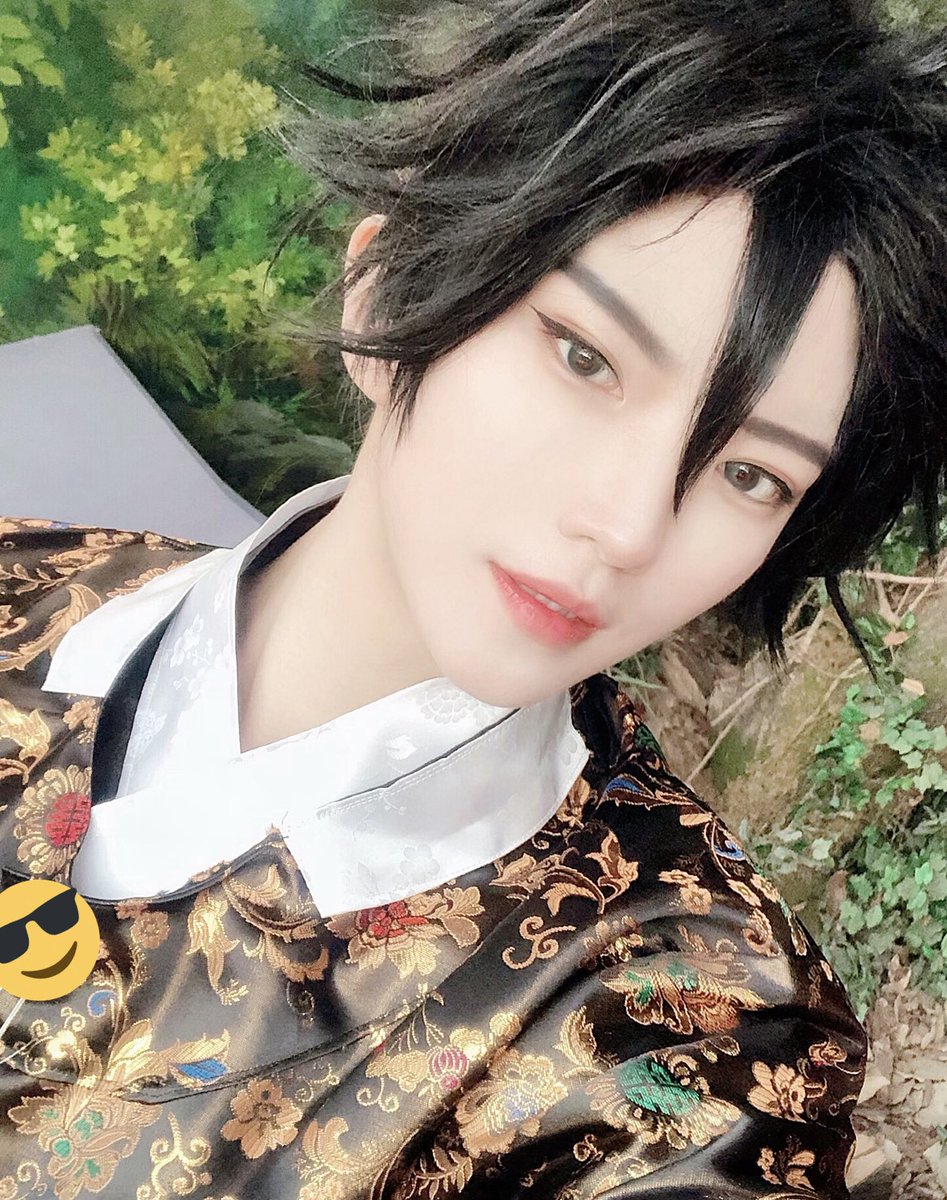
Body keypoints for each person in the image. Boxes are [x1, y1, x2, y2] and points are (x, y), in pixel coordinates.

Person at [1, 0, 945, 1195]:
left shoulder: (681, 1033)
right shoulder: (26, 579)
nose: (629, 526)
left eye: (748, 475)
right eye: (584, 357)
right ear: (383, 291)